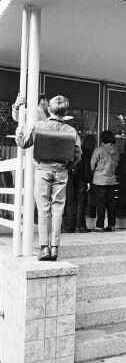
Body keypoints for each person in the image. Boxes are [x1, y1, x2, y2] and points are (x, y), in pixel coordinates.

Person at [15, 95, 81, 261]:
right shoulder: (71, 131)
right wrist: (67, 167)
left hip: (43, 170)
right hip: (61, 172)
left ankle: (44, 248)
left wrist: (19, 128)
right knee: (58, 209)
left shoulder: (39, 125)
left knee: (44, 208)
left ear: (48, 109)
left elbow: (23, 143)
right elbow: (77, 155)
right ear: (65, 112)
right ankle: (55, 249)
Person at [91, 130, 119, 232]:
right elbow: (116, 165)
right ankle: (112, 225)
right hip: (111, 180)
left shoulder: (99, 150)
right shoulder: (116, 151)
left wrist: (93, 174)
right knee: (110, 203)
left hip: (99, 180)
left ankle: (100, 226)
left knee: (100, 204)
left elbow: (92, 164)